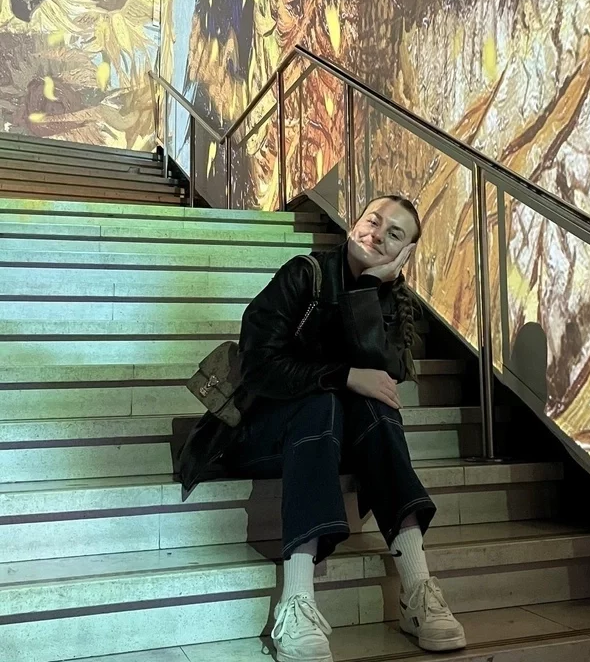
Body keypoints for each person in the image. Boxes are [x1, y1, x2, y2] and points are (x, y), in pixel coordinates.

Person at [178, 195, 466, 662]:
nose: (377, 234)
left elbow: (384, 375)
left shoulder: (392, 302)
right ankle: (296, 601)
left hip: (328, 439)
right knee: (320, 401)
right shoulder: (303, 275)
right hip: (258, 433)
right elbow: (258, 368)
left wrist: (368, 288)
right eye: (373, 221)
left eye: (394, 233)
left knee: (376, 409)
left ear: (407, 253)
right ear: (354, 224)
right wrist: (343, 375)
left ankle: (418, 589)